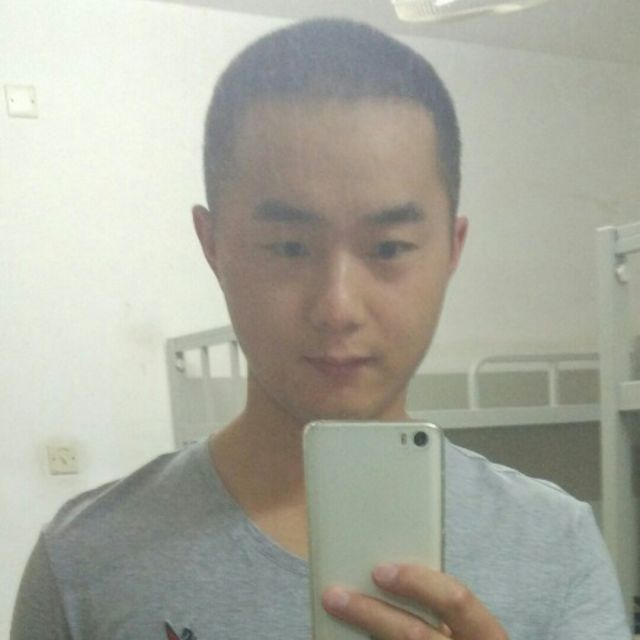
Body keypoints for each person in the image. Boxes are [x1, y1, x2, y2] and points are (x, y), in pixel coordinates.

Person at [11, 18, 630, 640]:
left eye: (389, 247)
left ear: (451, 249)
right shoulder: (85, 561)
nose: (338, 307)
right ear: (213, 244)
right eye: (288, 246)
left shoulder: (557, 548)